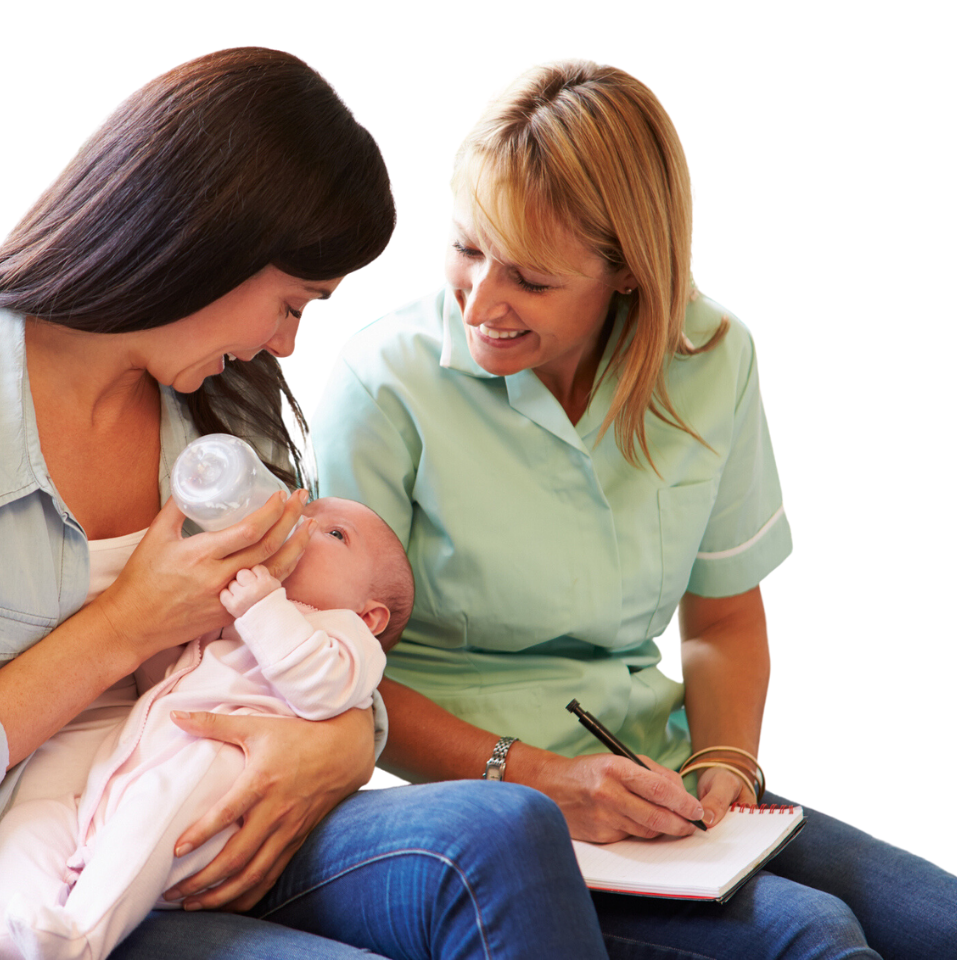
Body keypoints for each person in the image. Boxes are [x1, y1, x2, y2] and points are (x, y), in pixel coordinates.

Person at [0, 47, 610, 960]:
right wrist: (122, 628)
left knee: (509, 830)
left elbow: (323, 626)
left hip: (201, 809)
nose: (287, 346)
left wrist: (342, 744)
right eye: (291, 304)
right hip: (2, 882)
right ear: (207, 244)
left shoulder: (225, 402)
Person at [312, 59, 957, 960]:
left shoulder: (711, 356)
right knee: (813, 939)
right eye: (466, 247)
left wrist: (726, 765)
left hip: (660, 776)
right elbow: (329, 673)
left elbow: (723, 615)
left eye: (531, 280)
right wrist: (540, 777)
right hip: (465, 800)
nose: (483, 301)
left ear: (626, 273)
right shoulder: (383, 386)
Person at [0, 497, 410, 959]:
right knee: (36, 821)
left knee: (158, 800)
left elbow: (322, 690)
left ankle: (81, 937)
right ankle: (1, 921)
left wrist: (263, 607)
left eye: (335, 533)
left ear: (371, 615)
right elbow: (161, 677)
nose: (302, 527)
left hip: (207, 809)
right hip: (124, 784)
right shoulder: (237, 616)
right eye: (305, 515)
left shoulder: (346, 636)